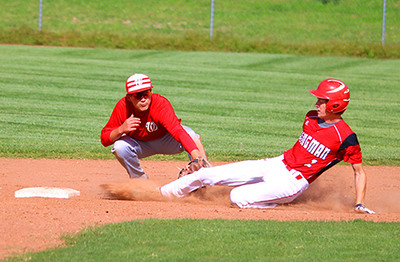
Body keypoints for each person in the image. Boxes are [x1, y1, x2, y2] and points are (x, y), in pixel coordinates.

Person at [159, 78, 375, 214]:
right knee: (209, 174)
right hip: (277, 164)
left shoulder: (346, 137)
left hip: (292, 183)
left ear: (336, 105)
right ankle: (161, 193)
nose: (316, 104)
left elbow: (359, 172)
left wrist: (359, 203)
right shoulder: (310, 118)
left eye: (322, 100)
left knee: (237, 197)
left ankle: (276, 203)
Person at [101, 73, 209, 179]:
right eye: (136, 95)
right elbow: (104, 140)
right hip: (140, 145)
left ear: (151, 92)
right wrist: (121, 129)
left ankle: (207, 175)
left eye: (146, 93)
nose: (143, 99)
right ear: (129, 97)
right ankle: (140, 181)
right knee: (120, 147)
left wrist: (197, 158)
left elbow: (177, 131)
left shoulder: (160, 104)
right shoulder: (123, 107)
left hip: (167, 140)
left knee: (191, 135)